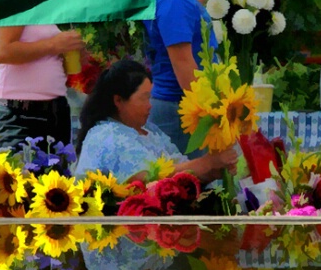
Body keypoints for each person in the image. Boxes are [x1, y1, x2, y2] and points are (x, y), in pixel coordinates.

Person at [73, 59, 236, 183]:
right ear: (118, 100)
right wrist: (206, 163)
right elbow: (144, 179)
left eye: (150, 98)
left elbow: (180, 170)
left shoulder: (150, 131)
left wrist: (212, 171)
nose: (150, 106)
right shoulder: (106, 135)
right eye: (144, 98)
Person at [144, 0, 224, 156]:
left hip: (175, 105)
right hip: (181, 109)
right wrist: (214, 113)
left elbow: (175, 24)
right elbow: (183, 64)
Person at [0, 25, 85, 150]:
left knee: (57, 169)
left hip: (56, 111)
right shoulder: (16, 6)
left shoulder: (44, 14)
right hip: (20, 115)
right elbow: (2, 52)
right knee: (20, 169)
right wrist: (53, 45)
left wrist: (69, 53)